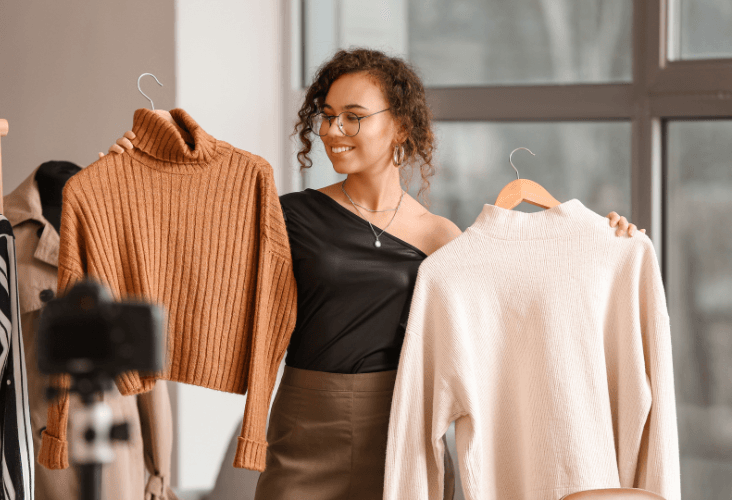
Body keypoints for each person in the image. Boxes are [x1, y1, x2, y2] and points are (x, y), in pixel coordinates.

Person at [103, 48, 642, 500]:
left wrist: (605, 240)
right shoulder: (288, 214)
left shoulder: (442, 237)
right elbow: (188, 243)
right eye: (328, 115)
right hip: (303, 427)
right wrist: (132, 171)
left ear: (400, 125)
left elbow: (525, 295)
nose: (334, 130)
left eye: (354, 116)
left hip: (403, 428)